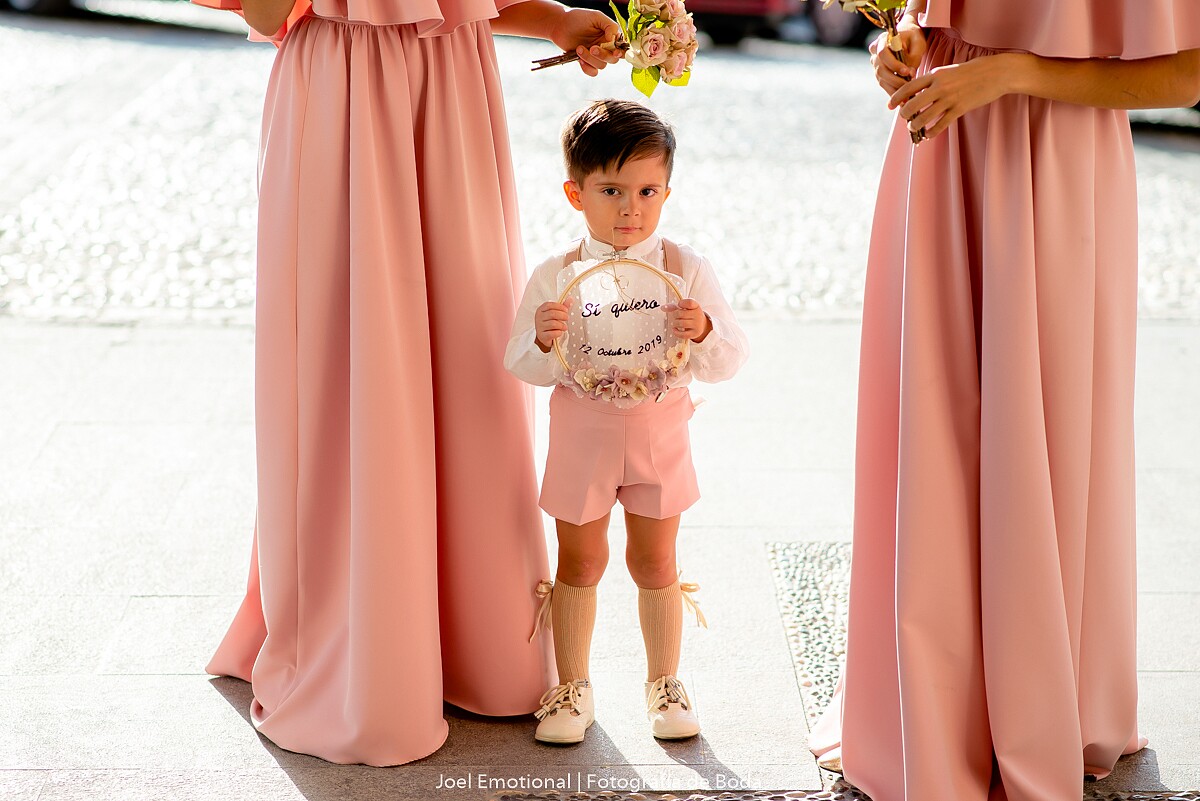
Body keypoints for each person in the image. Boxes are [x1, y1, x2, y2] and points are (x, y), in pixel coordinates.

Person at [192, 0, 625, 767]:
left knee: (469, 350)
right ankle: (370, 649)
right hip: (342, 93)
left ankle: (476, 636)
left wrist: (554, 21)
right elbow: (264, 11)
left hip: (452, 81)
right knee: (355, 360)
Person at [809, 1, 1200, 800]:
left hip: (1056, 161)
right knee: (934, 426)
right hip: (941, 148)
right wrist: (903, 44)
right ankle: (928, 704)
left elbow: (1188, 71)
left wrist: (1015, 71)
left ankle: (1037, 701)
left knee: (1042, 426)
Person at [504, 99, 748, 745]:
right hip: (582, 432)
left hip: (658, 431)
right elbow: (521, 363)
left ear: (667, 190)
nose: (629, 208)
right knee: (579, 560)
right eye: (610, 190)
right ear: (575, 192)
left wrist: (703, 329)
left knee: (656, 556)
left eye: (646, 190)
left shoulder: (683, 267)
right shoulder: (555, 274)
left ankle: (664, 682)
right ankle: (571, 685)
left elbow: (729, 358)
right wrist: (542, 335)